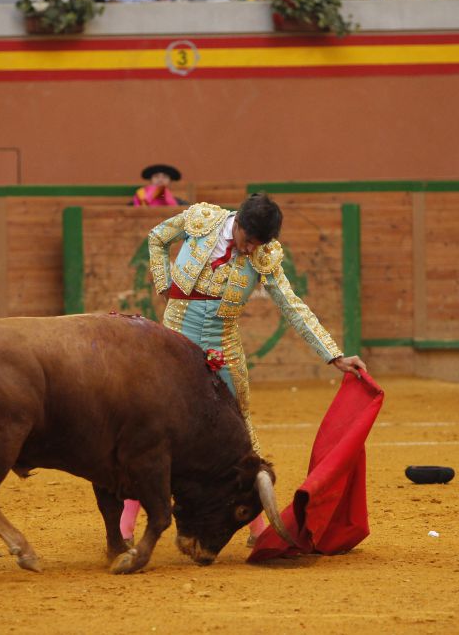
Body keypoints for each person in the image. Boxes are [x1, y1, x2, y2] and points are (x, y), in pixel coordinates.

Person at [119, 194, 367, 546]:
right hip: (173, 343)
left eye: (258, 244)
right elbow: (157, 237)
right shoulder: (201, 219)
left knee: (240, 430)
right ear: (236, 224)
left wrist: (334, 355)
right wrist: (163, 283)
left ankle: (258, 527)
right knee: (152, 426)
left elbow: (292, 306)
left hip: (223, 346)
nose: (250, 249)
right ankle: (125, 524)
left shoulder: (265, 256)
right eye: (248, 240)